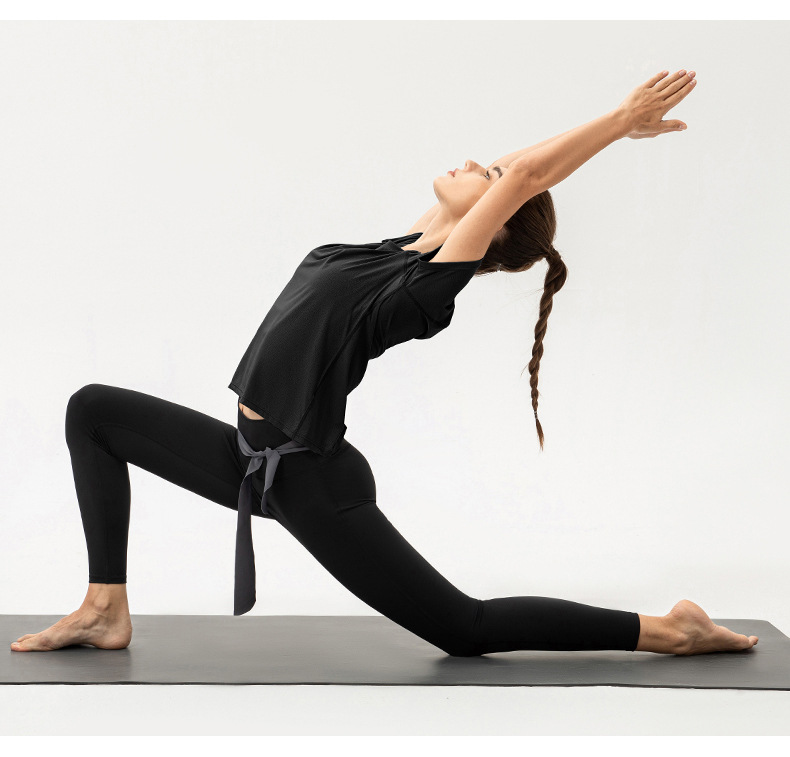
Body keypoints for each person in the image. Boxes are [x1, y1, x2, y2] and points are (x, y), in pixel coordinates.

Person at [11, 69, 759, 656]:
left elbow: (526, 177)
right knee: (93, 411)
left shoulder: (426, 287)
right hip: (246, 455)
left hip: (309, 481)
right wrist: (516, 172)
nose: (483, 162)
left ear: (494, 221)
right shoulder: (400, 249)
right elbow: (514, 173)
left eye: (489, 178)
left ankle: (671, 630)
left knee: (463, 627)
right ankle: (104, 606)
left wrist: (620, 122)